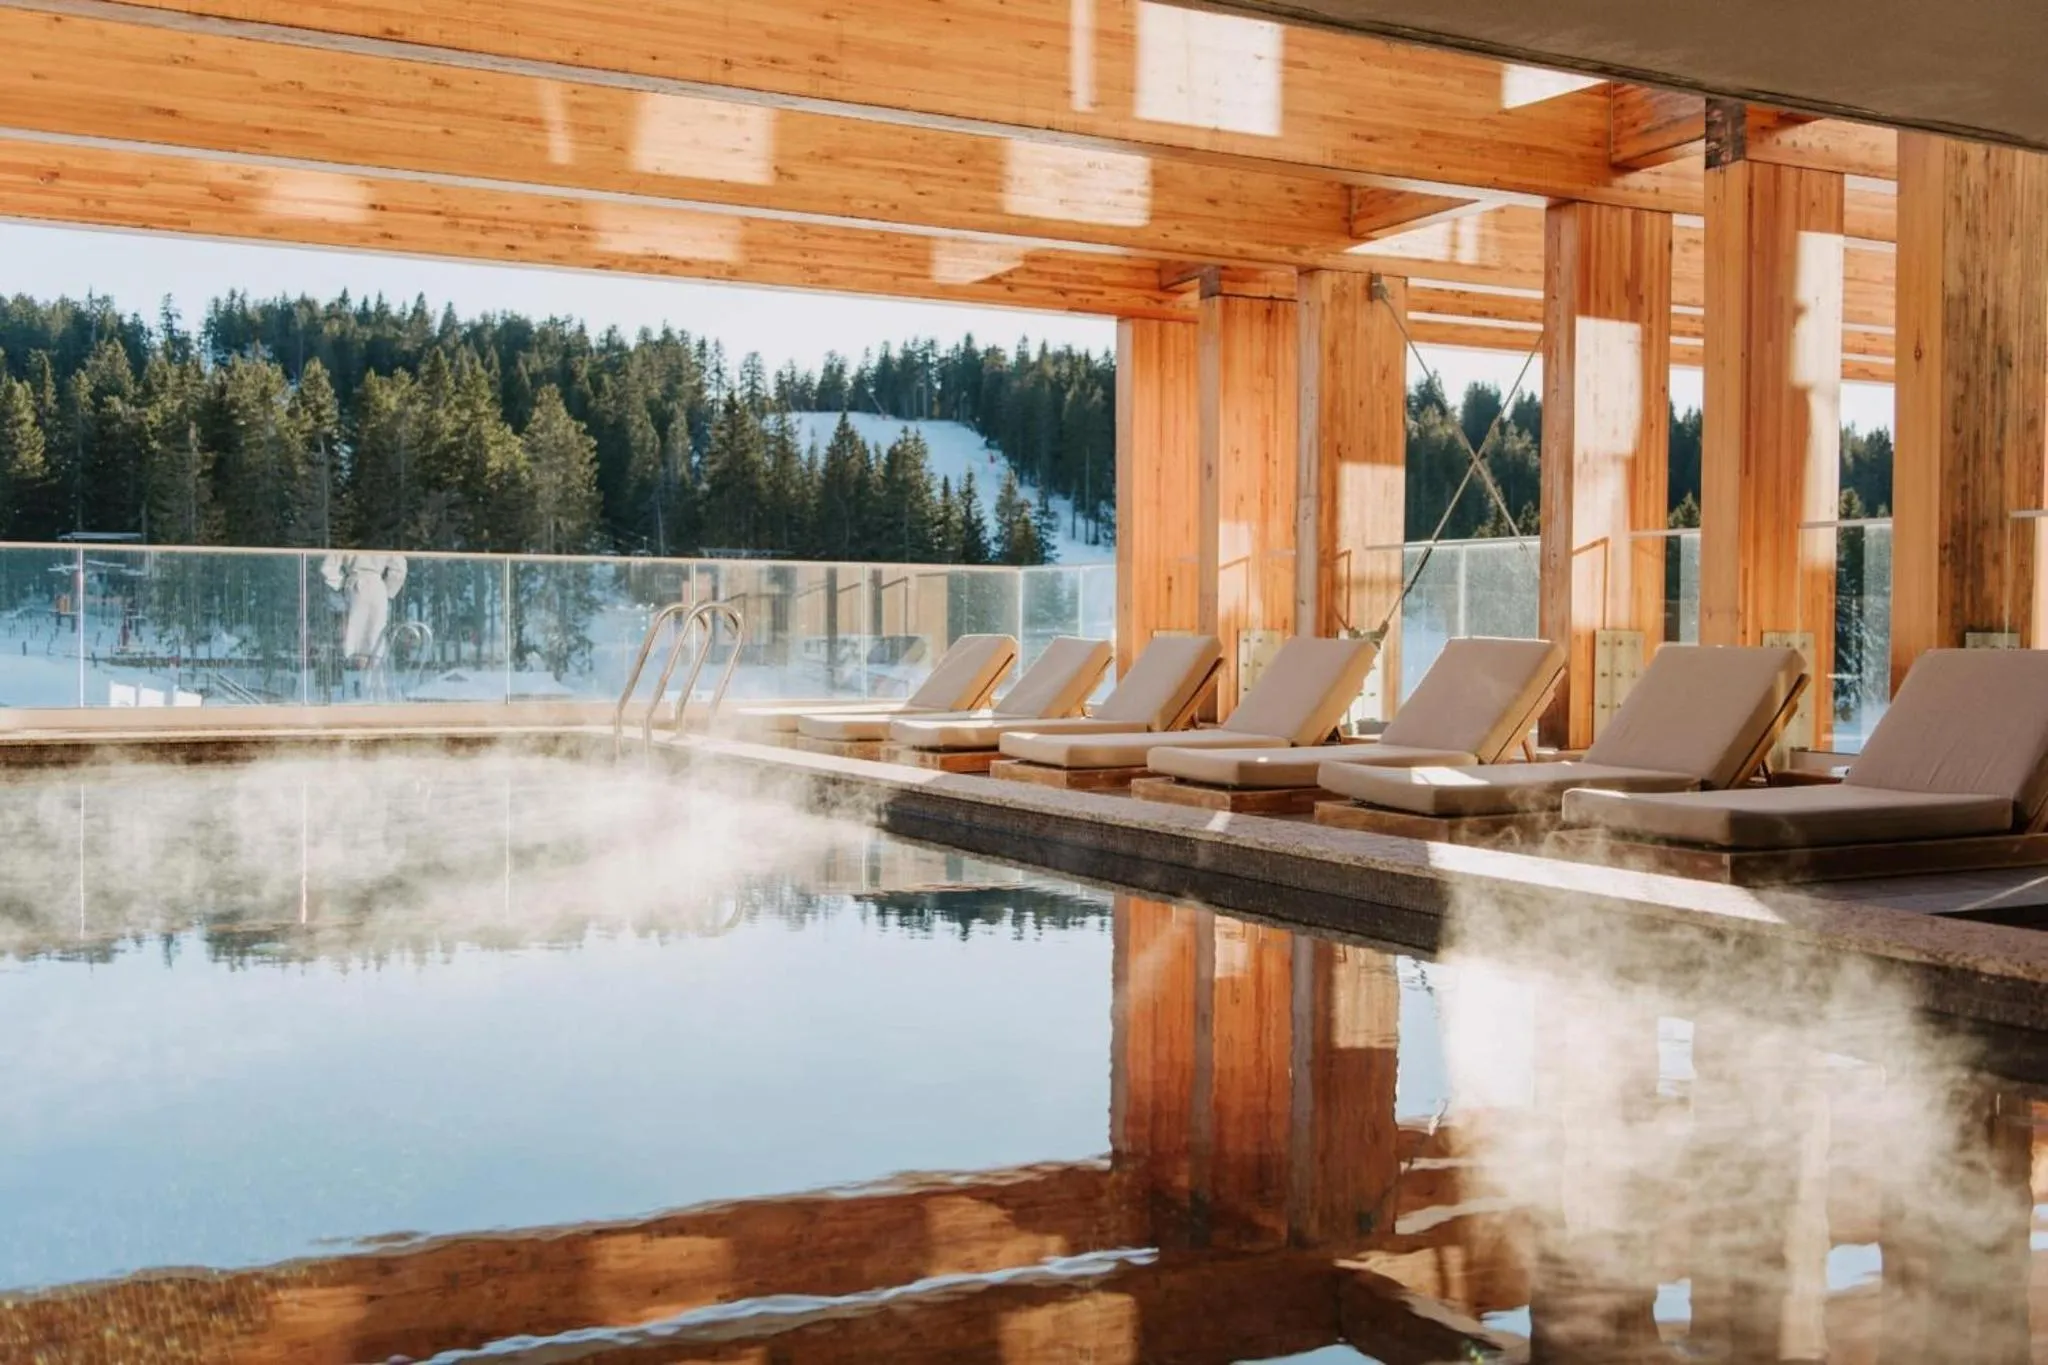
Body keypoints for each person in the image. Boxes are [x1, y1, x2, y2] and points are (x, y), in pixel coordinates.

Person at [320, 553, 409, 670]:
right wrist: (387, 590)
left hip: (356, 586)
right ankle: (373, 671)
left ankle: (361, 668)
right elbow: (399, 568)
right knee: (376, 634)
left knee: (356, 633)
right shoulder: (383, 541)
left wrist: (341, 584)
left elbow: (327, 568)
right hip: (377, 588)